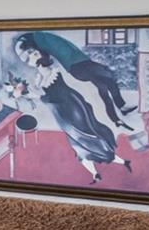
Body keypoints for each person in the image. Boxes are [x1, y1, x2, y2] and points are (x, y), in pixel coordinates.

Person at [13, 32, 134, 184]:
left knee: (87, 137)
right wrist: (24, 93)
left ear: (38, 52)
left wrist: (30, 94)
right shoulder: (40, 76)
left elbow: (57, 95)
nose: (28, 59)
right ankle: (96, 174)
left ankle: (120, 161)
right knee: (77, 143)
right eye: (26, 56)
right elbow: (44, 95)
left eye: (29, 54)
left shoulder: (52, 71)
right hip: (61, 112)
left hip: (72, 107)